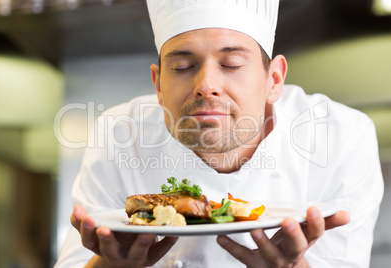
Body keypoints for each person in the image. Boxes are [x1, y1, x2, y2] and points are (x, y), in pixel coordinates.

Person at [54, 0, 383, 267]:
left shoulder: (341, 137)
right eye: (183, 67)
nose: (206, 86)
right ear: (157, 84)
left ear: (274, 80)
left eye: (232, 64)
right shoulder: (118, 135)